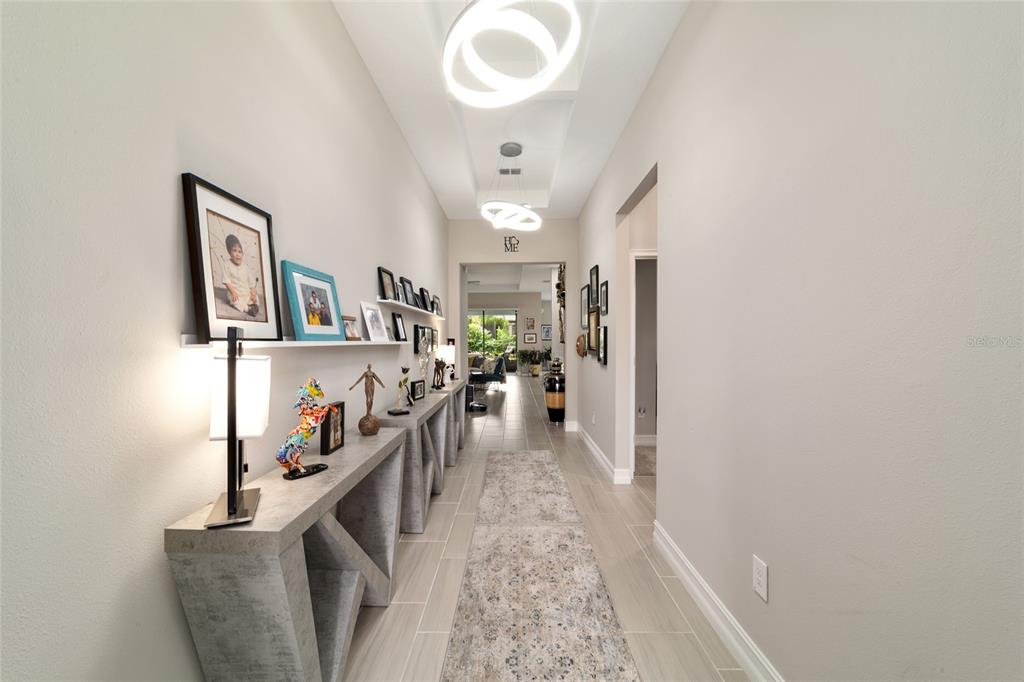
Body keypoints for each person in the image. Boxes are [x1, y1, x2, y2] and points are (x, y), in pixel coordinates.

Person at [221, 234, 260, 317]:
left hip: (246, 292)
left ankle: (255, 305)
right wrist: (233, 292)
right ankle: (247, 309)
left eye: (240, 251)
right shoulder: (227, 264)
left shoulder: (245, 267)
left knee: (256, 297)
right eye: (234, 251)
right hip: (236, 293)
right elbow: (226, 281)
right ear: (229, 252)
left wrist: (253, 292)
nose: (238, 254)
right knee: (235, 300)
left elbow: (251, 282)